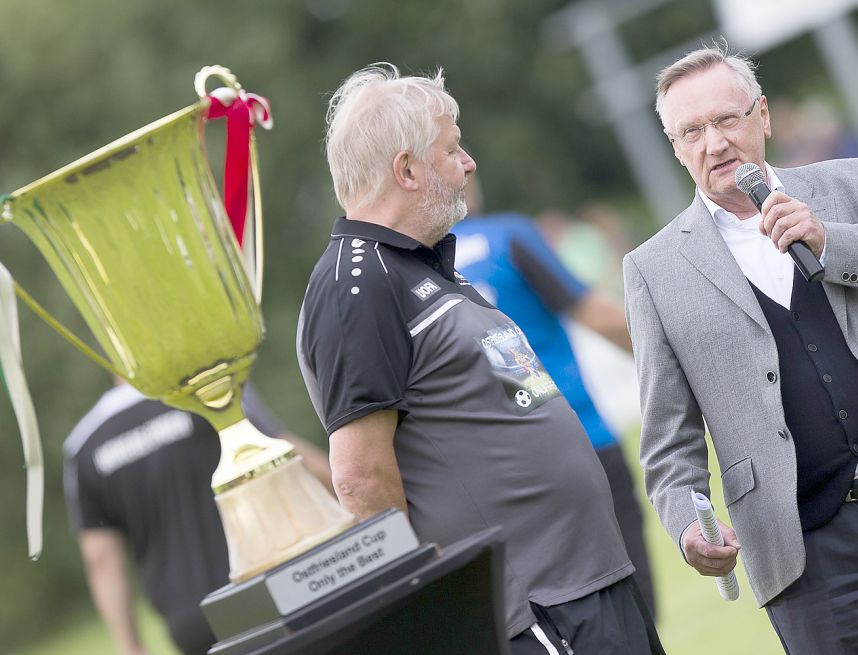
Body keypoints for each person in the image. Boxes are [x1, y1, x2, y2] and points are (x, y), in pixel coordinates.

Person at [623, 44, 858, 653]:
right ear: (674, 145)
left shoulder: (855, 182)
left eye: (727, 119)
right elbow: (669, 441)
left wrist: (833, 241)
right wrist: (689, 523)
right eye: (692, 130)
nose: (714, 144)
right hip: (803, 550)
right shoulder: (653, 270)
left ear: (762, 116)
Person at [297, 63, 663, 654]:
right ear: (408, 170)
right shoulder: (355, 287)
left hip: (585, 582)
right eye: (452, 148)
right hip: (531, 613)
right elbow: (361, 476)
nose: (468, 163)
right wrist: (437, 617)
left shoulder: (423, 262)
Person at [452, 187, 657, 617]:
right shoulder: (506, 236)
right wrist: (679, 361)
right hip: (579, 440)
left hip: (502, 479)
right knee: (633, 613)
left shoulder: (410, 274)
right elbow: (595, 314)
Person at [63, 380, 335, 655]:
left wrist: (130, 646)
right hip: (266, 590)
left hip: (193, 625)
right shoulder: (209, 390)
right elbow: (289, 456)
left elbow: (101, 559)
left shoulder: (85, 444)